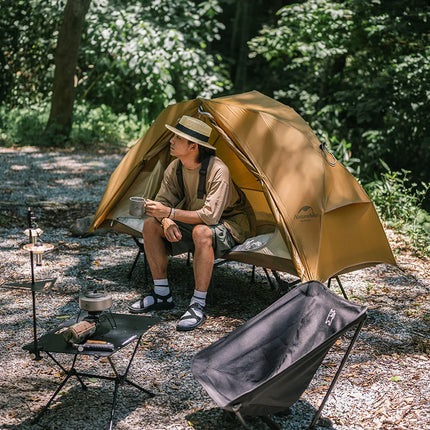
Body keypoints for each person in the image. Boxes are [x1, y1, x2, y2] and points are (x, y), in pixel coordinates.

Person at [129, 115, 256, 331]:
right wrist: (167, 220)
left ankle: (198, 304)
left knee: (201, 232)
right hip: (195, 218)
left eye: (177, 138)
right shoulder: (175, 167)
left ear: (193, 146)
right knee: (151, 225)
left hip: (231, 223)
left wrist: (169, 212)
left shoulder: (218, 170)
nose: (171, 140)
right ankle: (161, 295)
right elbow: (162, 203)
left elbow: (210, 217)